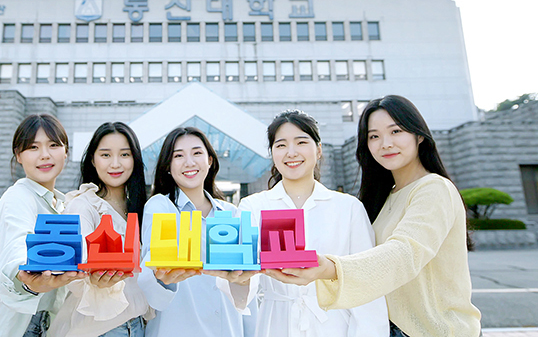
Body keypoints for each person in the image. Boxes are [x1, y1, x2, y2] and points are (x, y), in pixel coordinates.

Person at [266, 96, 482, 337]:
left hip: (434, 331)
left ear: (419, 135)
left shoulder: (433, 188)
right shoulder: (386, 197)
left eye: (396, 131)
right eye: (374, 136)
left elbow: (404, 253)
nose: (385, 143)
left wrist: (329, 268)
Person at [237, 110, 388, 337]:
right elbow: (241, 292)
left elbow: (366, 283)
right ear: (272, 154)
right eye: (280, 145)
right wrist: (237, 276)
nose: (291, 152)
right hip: (276, 324)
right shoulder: (252, 207)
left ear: (318, 150)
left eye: (301, 142)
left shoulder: (348, 208)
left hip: (335, 326)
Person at [0, 114, 87, 337]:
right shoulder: (18, 197)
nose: (45, 155)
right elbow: (16, 244)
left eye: (54, 145)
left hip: (43, 323)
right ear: (18, 155)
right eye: (33, 147)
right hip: (5, 325)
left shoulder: (63, 204)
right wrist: (26, 276)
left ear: (66, 151)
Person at [137, 127, 253, 337]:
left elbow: (245, 295)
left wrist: (243, 278)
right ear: (168, 167)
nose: (189, 162)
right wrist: (161, 277)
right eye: (178, 155)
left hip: (227, 328)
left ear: (210, 160)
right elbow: (150, 271)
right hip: (175, 328)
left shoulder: (231, 212)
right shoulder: (161, 206)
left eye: (197, 153)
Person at [48, 122, 150, 337]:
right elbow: (73, 272)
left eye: (124, 154)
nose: (115, 163)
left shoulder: (139, 207)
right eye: (105, 155)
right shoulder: (83, 205)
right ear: (93, 160)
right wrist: (92, 280)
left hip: (137, 324)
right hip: (99, 329)